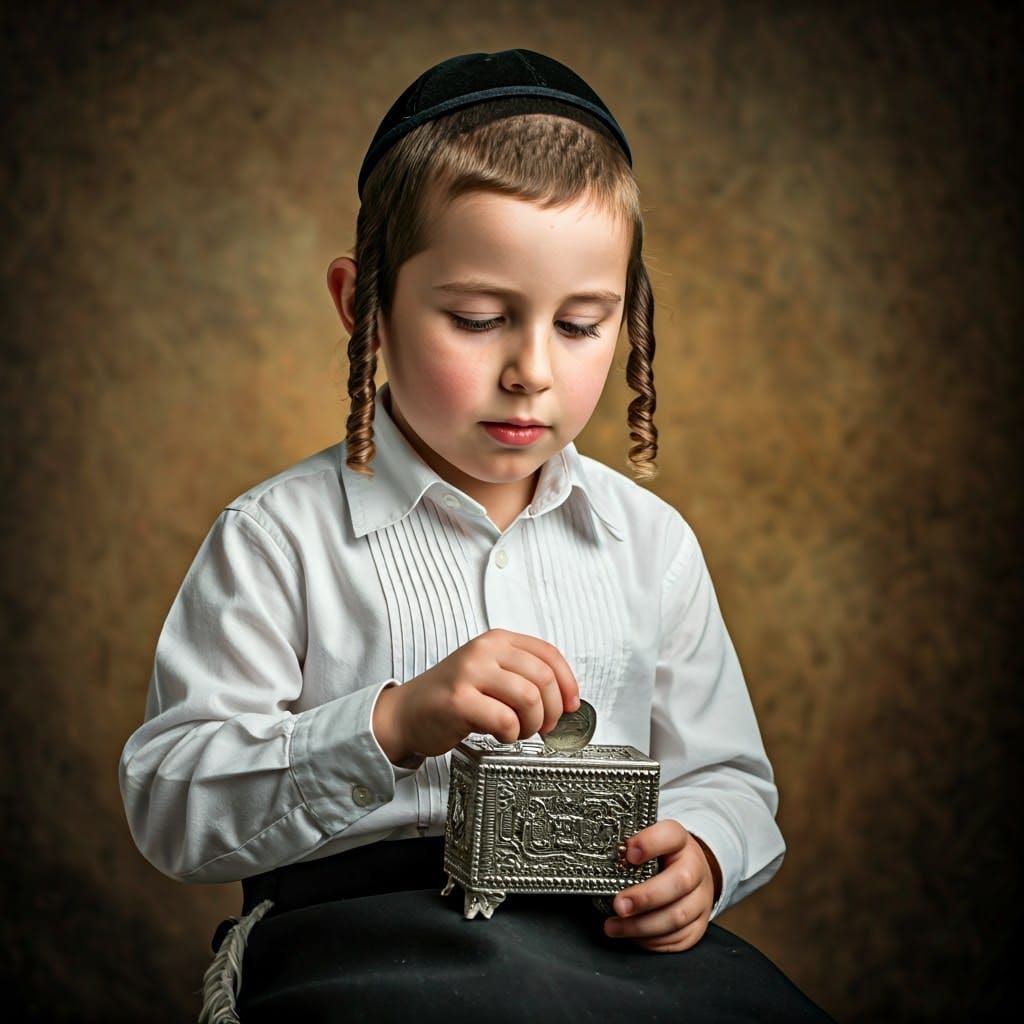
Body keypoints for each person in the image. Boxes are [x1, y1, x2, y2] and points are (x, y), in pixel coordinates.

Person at [118, 48, 833, 1023]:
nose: (530, 369)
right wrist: (391, 723)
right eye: (478, 317)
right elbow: (170, 799)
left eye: (581, 325)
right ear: (361, 304)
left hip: (605, 949)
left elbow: (730, 778)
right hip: (368, 944)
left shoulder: (649, 544)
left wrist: (706, 848)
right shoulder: (276, 536)